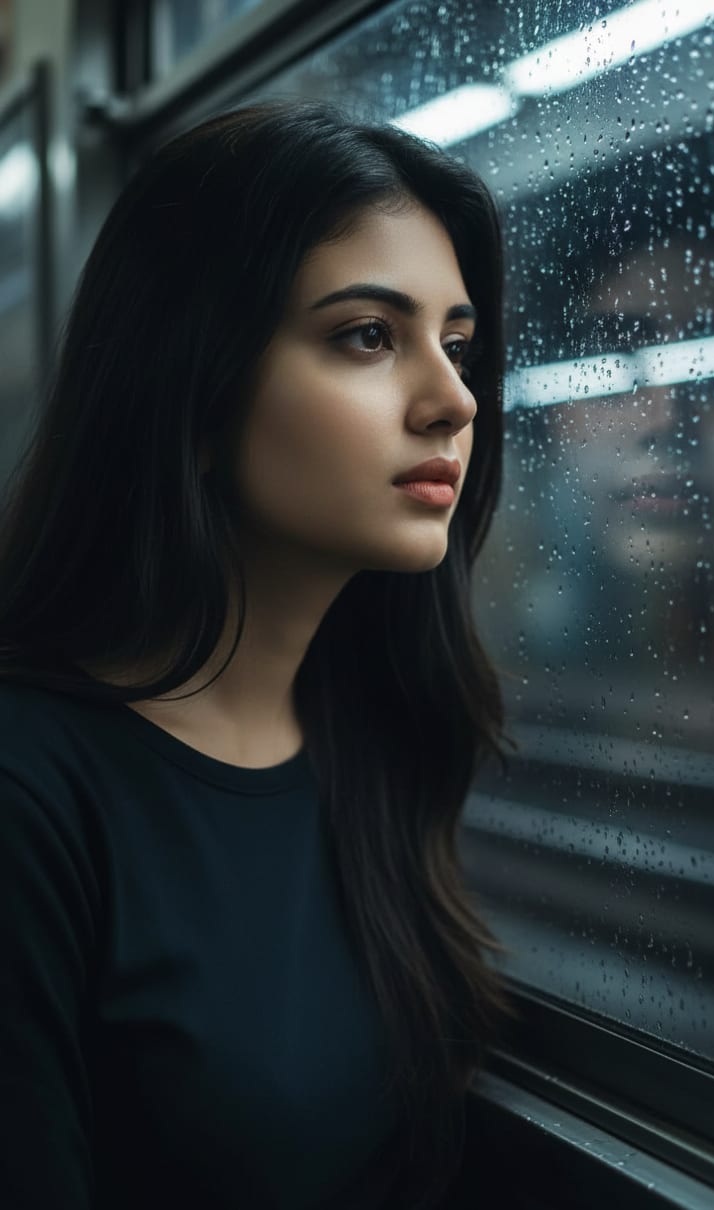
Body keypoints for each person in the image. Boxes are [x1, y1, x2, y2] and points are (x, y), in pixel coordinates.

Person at [0, 101, 516, 1209]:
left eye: (458, 344)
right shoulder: (28, 793)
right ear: (191, 384)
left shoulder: (368, 744)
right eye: (367, 336)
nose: (454, 399)